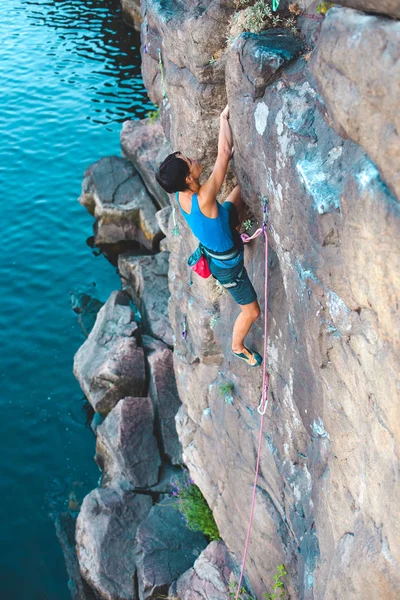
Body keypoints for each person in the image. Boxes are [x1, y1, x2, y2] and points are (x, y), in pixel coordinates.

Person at [155, 105, 261, 367]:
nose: (193, 158)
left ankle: (236, 227)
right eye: (189, 162)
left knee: (241, 191)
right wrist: (223, 117)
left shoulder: (183, 195)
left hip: (221, 231)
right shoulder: (203, 198)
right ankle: (238, 347)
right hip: (228, 268)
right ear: (190, 178)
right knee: (252, 310)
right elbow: (224, 154)